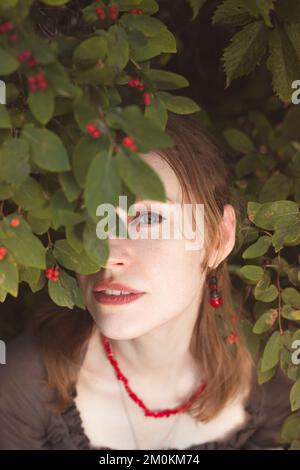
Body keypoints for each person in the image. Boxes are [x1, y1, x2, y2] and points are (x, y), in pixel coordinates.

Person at [0, 113, 292, 450]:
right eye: (93, 218)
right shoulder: (24, 382)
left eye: (149, 218)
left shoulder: (273, 381)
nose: (106, 256)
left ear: (218, 239)